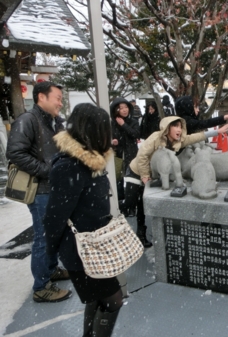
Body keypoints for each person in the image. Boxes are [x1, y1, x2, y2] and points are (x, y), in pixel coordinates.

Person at [43, 103, 123, 336]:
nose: (108, 135)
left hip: (97, 245)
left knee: (99, 298)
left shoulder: (92, 161)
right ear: (89, 132)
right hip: (80, 249)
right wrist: (52, 250)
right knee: (113, 300)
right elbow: (54, 216)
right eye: (103, 130)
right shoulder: (70, 166)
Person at [6, 81, 71, 303]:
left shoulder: (55, 122)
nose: (60, 103)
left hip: (55, 188)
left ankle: (51, 269)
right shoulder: (28, 120)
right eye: (58, 98)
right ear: (41, 97)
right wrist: (47, 171)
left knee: (54, 234)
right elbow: (15, 152)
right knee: (44, 237)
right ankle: (41, 287)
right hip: (40, 190)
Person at [120, 116, 228, 247]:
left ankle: (141, 234)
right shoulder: (156, 137)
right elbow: (142, 155)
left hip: (153, 174)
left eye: (180, 126)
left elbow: (195, 137)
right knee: (130, 203)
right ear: (167, 128)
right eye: (175, 126)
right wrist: (144, 175)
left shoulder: (178, 141)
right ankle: (118, 211)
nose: (179, 129)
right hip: (136, 171)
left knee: (142, 205)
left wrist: (216, 132)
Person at [110, 98, 140, 201]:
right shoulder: (112, 124)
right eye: (121, 108)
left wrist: (124, 125)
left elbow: (135, 134)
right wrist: (113, 141)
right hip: (118, 155)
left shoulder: (133, 122)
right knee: (118, 178)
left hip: (131, 154)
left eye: (126, 107)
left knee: (131, 178)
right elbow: (108, 137)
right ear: (116, 110)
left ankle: (131, 202)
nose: (124, 110)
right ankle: (120, 202)